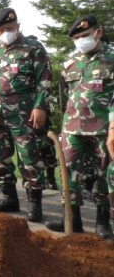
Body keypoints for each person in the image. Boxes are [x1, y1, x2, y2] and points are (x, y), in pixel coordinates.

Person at [0, 8, 51, 222]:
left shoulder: (33, 48)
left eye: (10, 28)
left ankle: (34, 203)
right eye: (1, 30)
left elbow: (44, 81)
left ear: (17, 26)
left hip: (25, 115)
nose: (6, 32)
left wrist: (40, 107)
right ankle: (9, 198)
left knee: (30, 158)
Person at [47, 15, 114, 240]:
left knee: (101, 175)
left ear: (98, 33)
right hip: (72, 128)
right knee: (68, 173)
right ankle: (72, 219)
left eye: (85, 35)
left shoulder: (111, 59)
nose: (81, 40)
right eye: (77, 38)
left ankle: (102, 222)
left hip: (103, 129)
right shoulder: (70, 63)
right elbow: (66, 94)